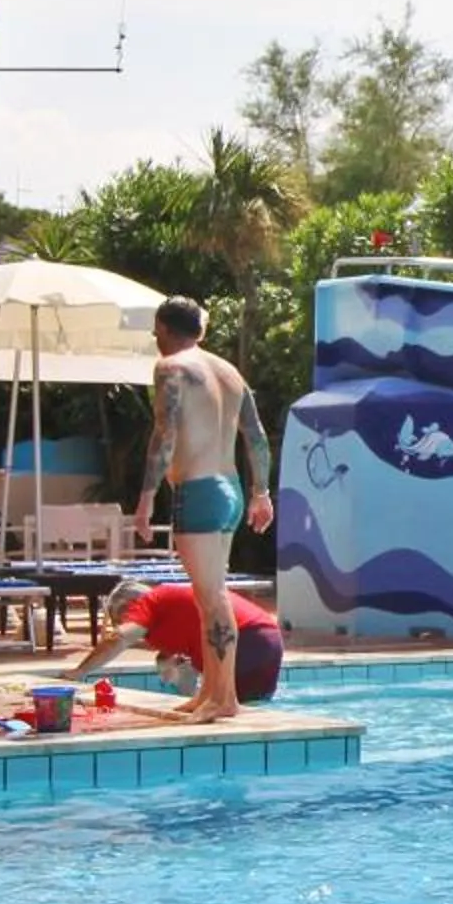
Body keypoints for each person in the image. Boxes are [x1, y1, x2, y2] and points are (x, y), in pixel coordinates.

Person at [132, 297, 273, 722]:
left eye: (156, 332)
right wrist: (261, 492)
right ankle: (211, 691)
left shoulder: (171, 367)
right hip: (229, 488)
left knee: (211, 597)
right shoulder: (229, 373)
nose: (155, 340)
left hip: (198, 490)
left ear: (165, 329)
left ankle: (224, 697)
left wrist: (145, 497)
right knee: (206, 595)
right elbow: (258, 436)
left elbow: (165, 434)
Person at [69, 580, 283, 707]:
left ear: (128, 607)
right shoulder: (168, 606)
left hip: (243, 639)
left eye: (120, 618)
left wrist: (80, 672)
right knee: (253, 708)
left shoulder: (147, 603)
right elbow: (175, 657)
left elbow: (118, 639)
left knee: (221, 710)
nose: (121, 623)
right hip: (268, 638)